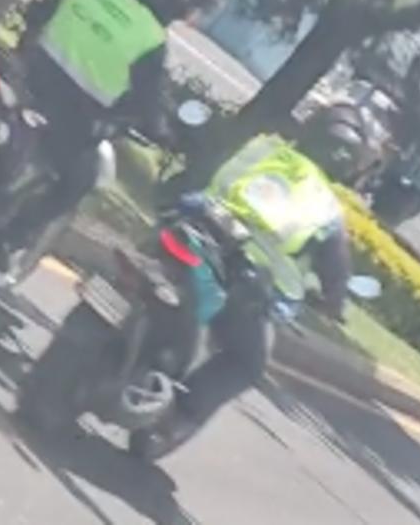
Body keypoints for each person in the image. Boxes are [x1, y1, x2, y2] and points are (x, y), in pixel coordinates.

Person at [0, 0, 224, 281]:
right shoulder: (150, 39)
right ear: (176, 0)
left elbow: (38, 14)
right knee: (80, 177)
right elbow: (146, 102)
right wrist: (164, 132)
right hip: (69, 120)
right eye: (191, 9)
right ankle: (9, 242)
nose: (190, 18)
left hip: (21, 79)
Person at [132, 138, 354, 459]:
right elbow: (336, 273)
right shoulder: (326, 206)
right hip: (241, 273)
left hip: (193, 222)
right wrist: (333, 303)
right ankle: (171, 422)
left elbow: (214, 164)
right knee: (248, 361)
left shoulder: (264, 146)